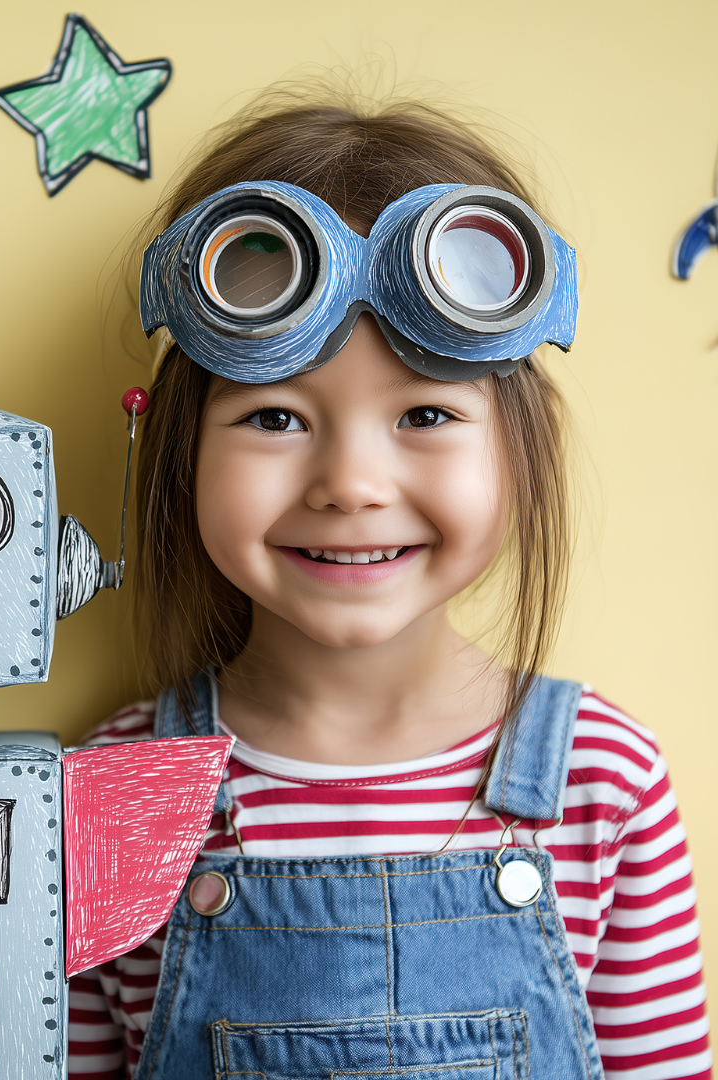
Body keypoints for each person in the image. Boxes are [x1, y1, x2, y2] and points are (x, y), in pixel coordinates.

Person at [68, 93, 711, 1080]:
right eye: (277, 418)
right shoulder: (115, 793)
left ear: (517, 449)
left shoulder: (604, 782)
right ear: (178, 447)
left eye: (422, 414)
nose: (351, 486)